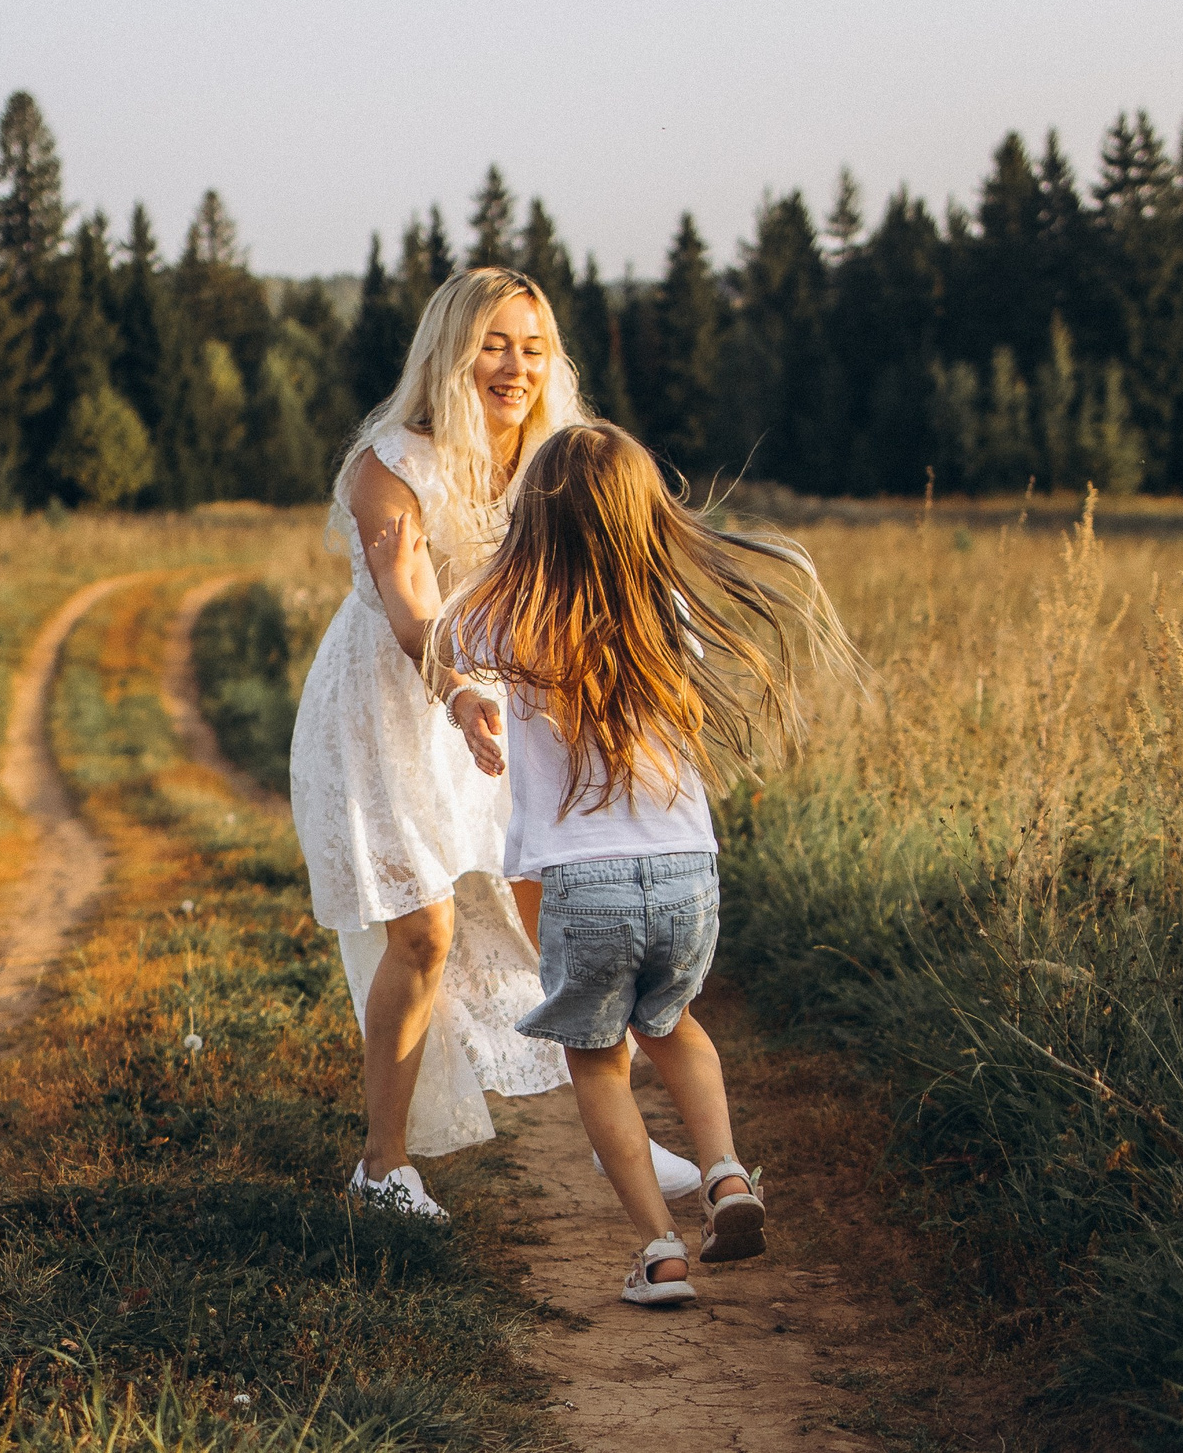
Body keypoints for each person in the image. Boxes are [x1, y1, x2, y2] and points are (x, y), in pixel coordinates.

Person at [288, 266, 697, 1219]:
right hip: (389, 712)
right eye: (494, 343)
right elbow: (409, 604)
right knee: (423, 934)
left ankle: (619, 1139)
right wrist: (458, 690)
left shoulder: (554, 459)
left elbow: (597, 571)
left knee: (564, 918)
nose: (515, 365)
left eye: (533, 345)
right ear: (451, 350)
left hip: (505, 706)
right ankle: (383, 1168)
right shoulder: (389, 463)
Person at [435, 421, 859, 1305]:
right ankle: (728, 1174)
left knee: (599, 1061)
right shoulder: (669, 616)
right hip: (685, 875)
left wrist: (479, 676)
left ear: (534, 526)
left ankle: (661, 1251)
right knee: (676, 1026)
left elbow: (446, 638)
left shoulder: (513, 614)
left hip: (582, 888)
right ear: (648, 522)